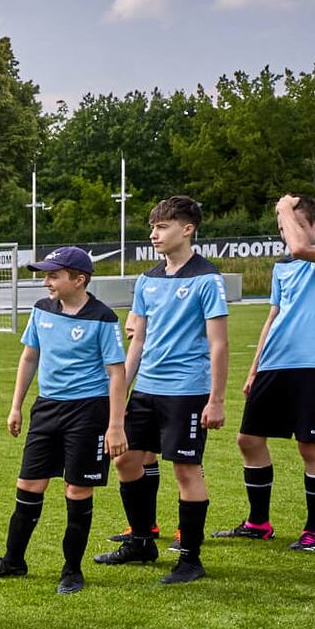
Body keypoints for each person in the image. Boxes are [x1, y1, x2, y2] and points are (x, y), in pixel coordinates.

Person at [0, 246, 128, 593]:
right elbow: (29, 357)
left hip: (88, 412)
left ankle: (72, 570)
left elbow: (116, 373)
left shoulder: (103, 318)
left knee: (76, 488)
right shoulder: (41, 311)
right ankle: (13, 561)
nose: (46, 282)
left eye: (53, 276)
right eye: (45, 275)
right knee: (29, 485)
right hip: (47, 408)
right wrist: (16, 406)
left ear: (79, 279)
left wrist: (115, 426)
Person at [96, 196, 229, 583]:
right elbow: (137, 341)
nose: (154, 234)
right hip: (147, 389)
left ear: (187, 229)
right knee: (125, 461)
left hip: (187, 390)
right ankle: (141, 541)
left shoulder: (207, 279)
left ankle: (190, 559)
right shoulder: (147, 279)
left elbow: (218, 343)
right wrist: (121, 388)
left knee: (186, 470)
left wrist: (216, 400)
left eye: (163, 226)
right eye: (153, 227)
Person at [214, 193, 315, 551]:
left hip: (314, 365)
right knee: (248, 440)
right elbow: (272, 317)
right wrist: (254, 368)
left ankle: (314, 531)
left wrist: (283, 208)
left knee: (310, 446)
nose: (284, 233)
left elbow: (299, 248)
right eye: (281, 227)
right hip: (274, 364)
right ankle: (258, 522)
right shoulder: (283, 267)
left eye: (291, 225)